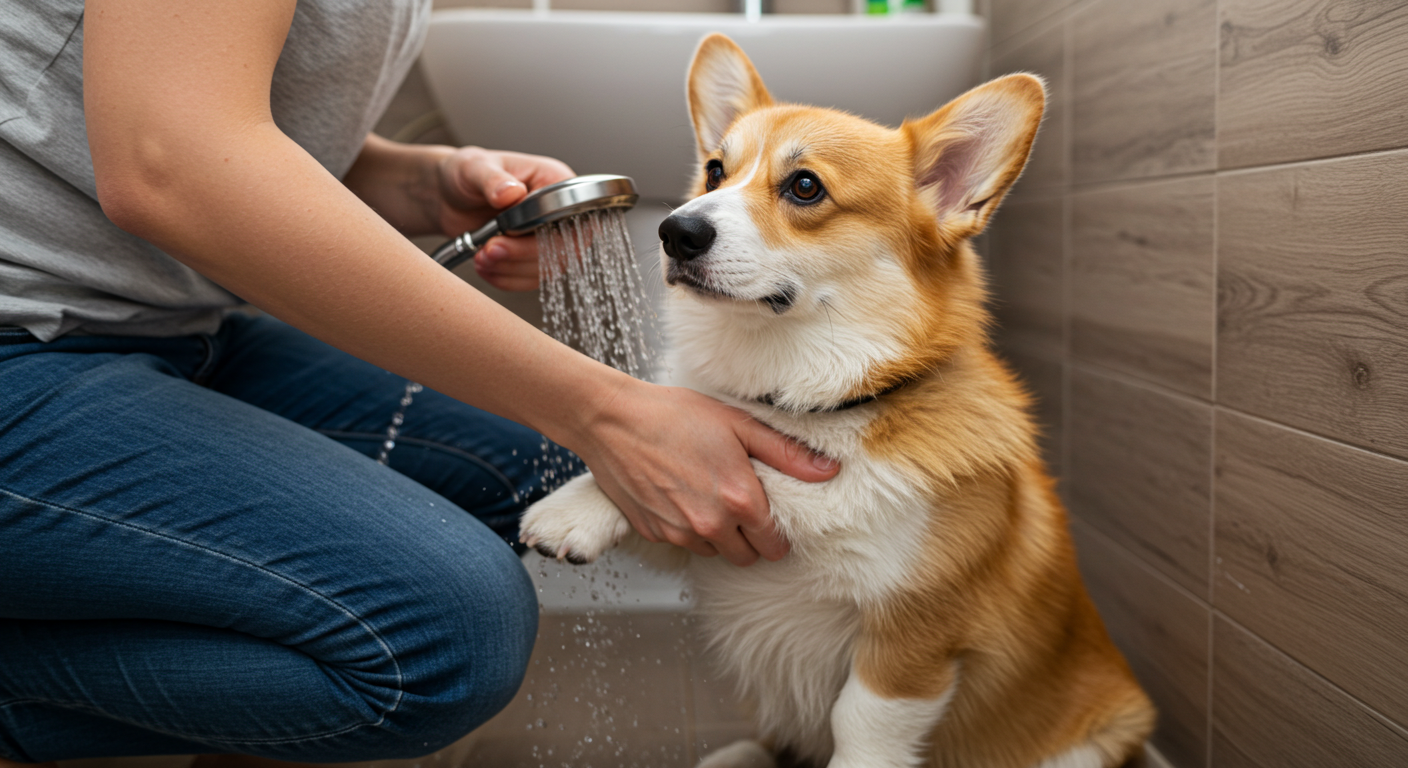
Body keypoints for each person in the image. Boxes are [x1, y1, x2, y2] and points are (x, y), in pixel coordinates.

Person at [0, 0, 838, 764]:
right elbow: (166, 161)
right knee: (440, 640)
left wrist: (422, 180)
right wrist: (605, 411)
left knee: (539, 475)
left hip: (172, 329)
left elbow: (210, 104)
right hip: (22, 340)